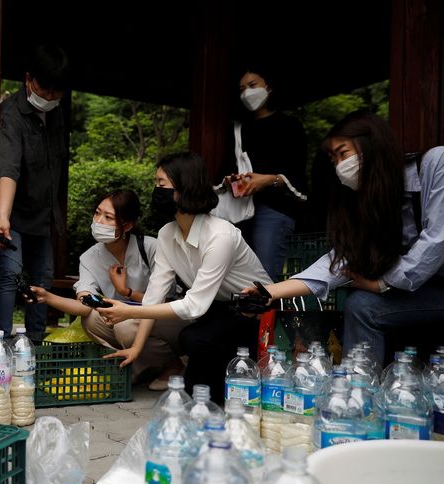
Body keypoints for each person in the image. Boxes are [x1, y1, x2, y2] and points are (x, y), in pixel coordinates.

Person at [244, 111, 444, 367]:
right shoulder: (369, 200)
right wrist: (268, 292)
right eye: (333, 158)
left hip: (433, 286)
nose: (339, 164)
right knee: (362, 305)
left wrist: (383, 283)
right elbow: (341, 260)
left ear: (372, 143)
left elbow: (437, 240)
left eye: (344, 153)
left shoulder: (435, 163)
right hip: (426, 292)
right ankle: (359, 392)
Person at [98, 152, 272, 402]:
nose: (156, 190)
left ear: (185, 188)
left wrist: (129, 311)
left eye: (161, 184)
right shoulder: (168, 234)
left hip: (254, 314)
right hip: (214, 310)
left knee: (194, 339)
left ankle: (230, 388)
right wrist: (136, 347)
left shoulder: (220, 235)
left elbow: (194, 306)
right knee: (133, 328)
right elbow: (154, 296)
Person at [30, 189, 188, 387]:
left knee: (124, 326)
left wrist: (126, 292)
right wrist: (47, 296)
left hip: (169, 316)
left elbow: (163, 301)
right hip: (129, 318)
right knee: (91, 319)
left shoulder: (150, 248)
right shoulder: (89, 258)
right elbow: (84, 305)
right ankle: (143, 365)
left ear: (127, 225)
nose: (98, 222)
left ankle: (173, 365)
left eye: (108, 217)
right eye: (97, 213)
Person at [0, 44, 69, 336]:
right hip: (14, 214)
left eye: (55, 94)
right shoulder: (11, 114)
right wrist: (3, 216)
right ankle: (1, 343)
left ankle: (34, 345)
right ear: (28, 79)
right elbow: (8, 170)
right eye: (44, 91)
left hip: (44, 215)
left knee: (43, 278)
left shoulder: (57, 113)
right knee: (9, 276)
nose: (49, 98)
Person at [218, 65, 308, 280]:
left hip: (274, 210)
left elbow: (298, 172)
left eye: (252, 85)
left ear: (269, 87)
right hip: (240, 212)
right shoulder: (238, 129)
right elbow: (225, 169)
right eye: (241, 89)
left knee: (265, 277)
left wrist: (269, 180)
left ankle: (265, 315)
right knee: (238, 275)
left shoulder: (290, 126)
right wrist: (233, 180)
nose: (247, 93)